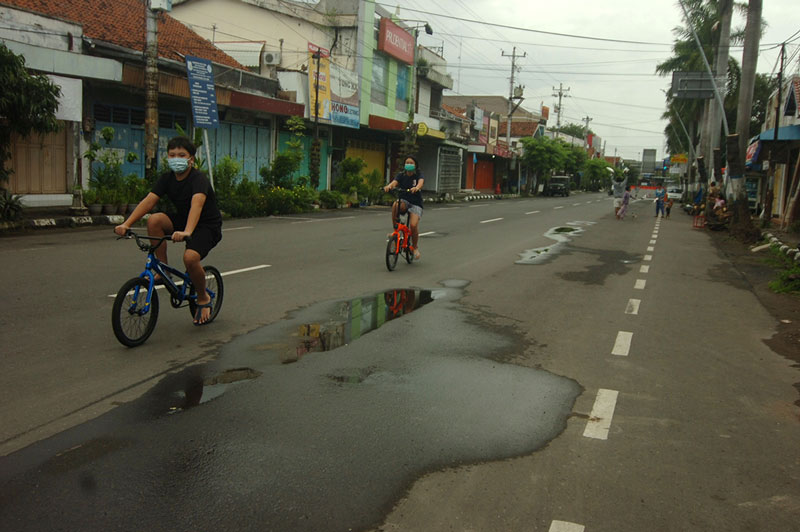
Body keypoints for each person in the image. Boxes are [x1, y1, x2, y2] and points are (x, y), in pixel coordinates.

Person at [114, 136, 222, 325]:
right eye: (172, 155)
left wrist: (187, 231)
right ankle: (163, 269)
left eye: (181, 155)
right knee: (155, 220)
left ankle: (203, 297)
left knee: (190, 258)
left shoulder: (199, 179)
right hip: (182, 219)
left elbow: (197, 205)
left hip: (206, 225)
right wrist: (126, 224)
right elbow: (149, 201)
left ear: (191, 159)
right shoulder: (167, 179)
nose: (176, 158)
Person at [383, 155, 424, 260]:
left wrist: (416, 188)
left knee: (413, 226)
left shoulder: (418, 174)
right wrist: (389, 186)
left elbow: (421, 182)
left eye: (411, 163)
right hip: (404, 201)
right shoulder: (401, 175)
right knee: (395, 205)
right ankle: (395, 230)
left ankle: (414, 247)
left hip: (416, 203)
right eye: (407, 163)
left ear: (415, 165)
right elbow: (394, 182)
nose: (409, 165)